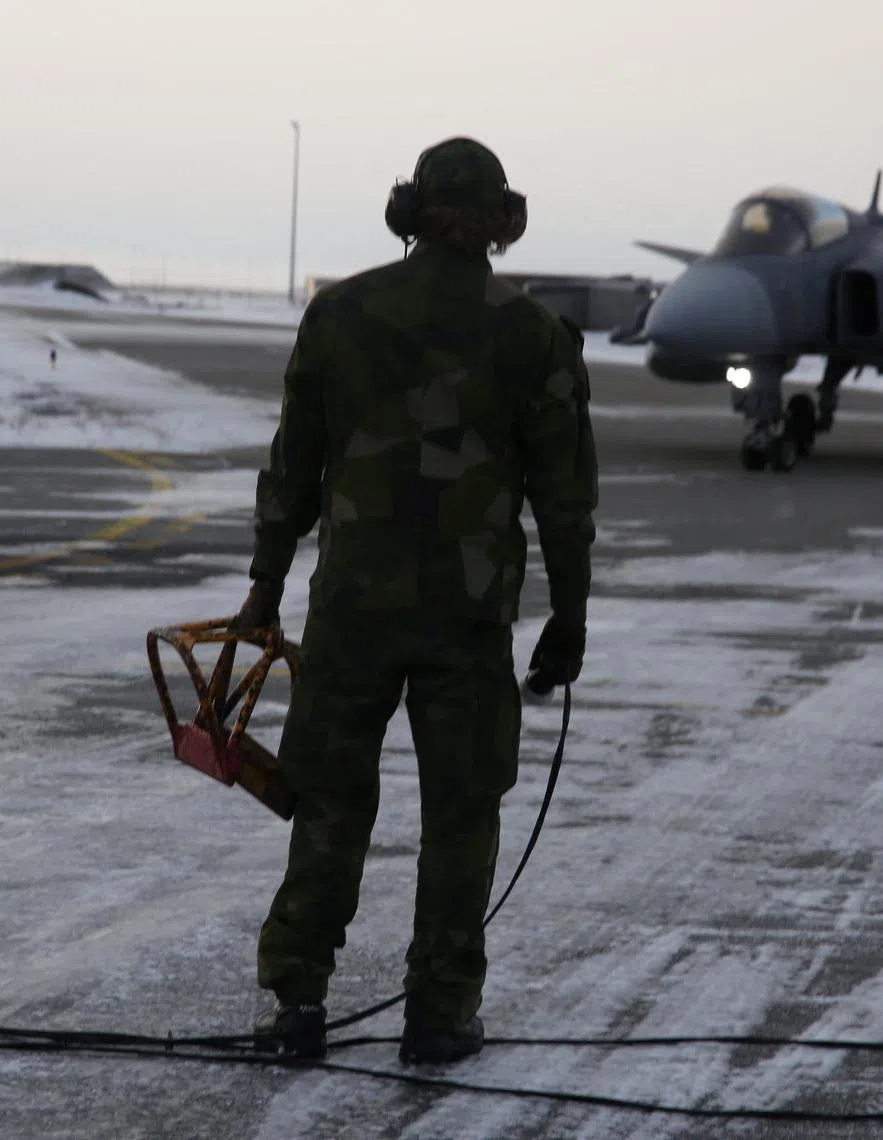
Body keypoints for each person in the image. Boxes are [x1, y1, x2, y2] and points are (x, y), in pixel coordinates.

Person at [235, 137, 598, 1064]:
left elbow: (294, 466)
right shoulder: (532, 335)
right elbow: (565, 495)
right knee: (463, 811)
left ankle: (299, 1005)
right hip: (469, 618)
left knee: (327, 801)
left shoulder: (340, 314)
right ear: (499, 222)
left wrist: (264, 587)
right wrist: (570, 615)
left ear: (412, 209)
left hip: (353, 605)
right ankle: (438, 1013)